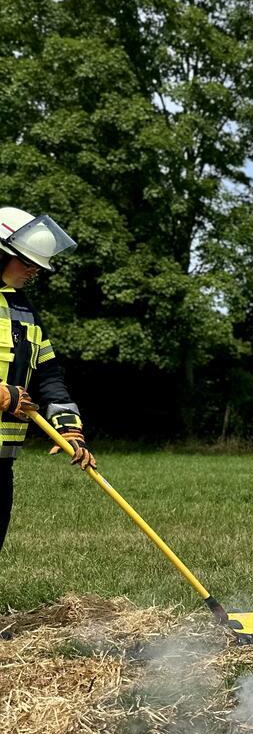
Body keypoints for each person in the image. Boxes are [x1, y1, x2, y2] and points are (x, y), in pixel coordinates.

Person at [1, 207, 93, 554]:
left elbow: (49, 377)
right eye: (26, 261)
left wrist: (70, 428)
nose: (34, 270)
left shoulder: (26, 315)